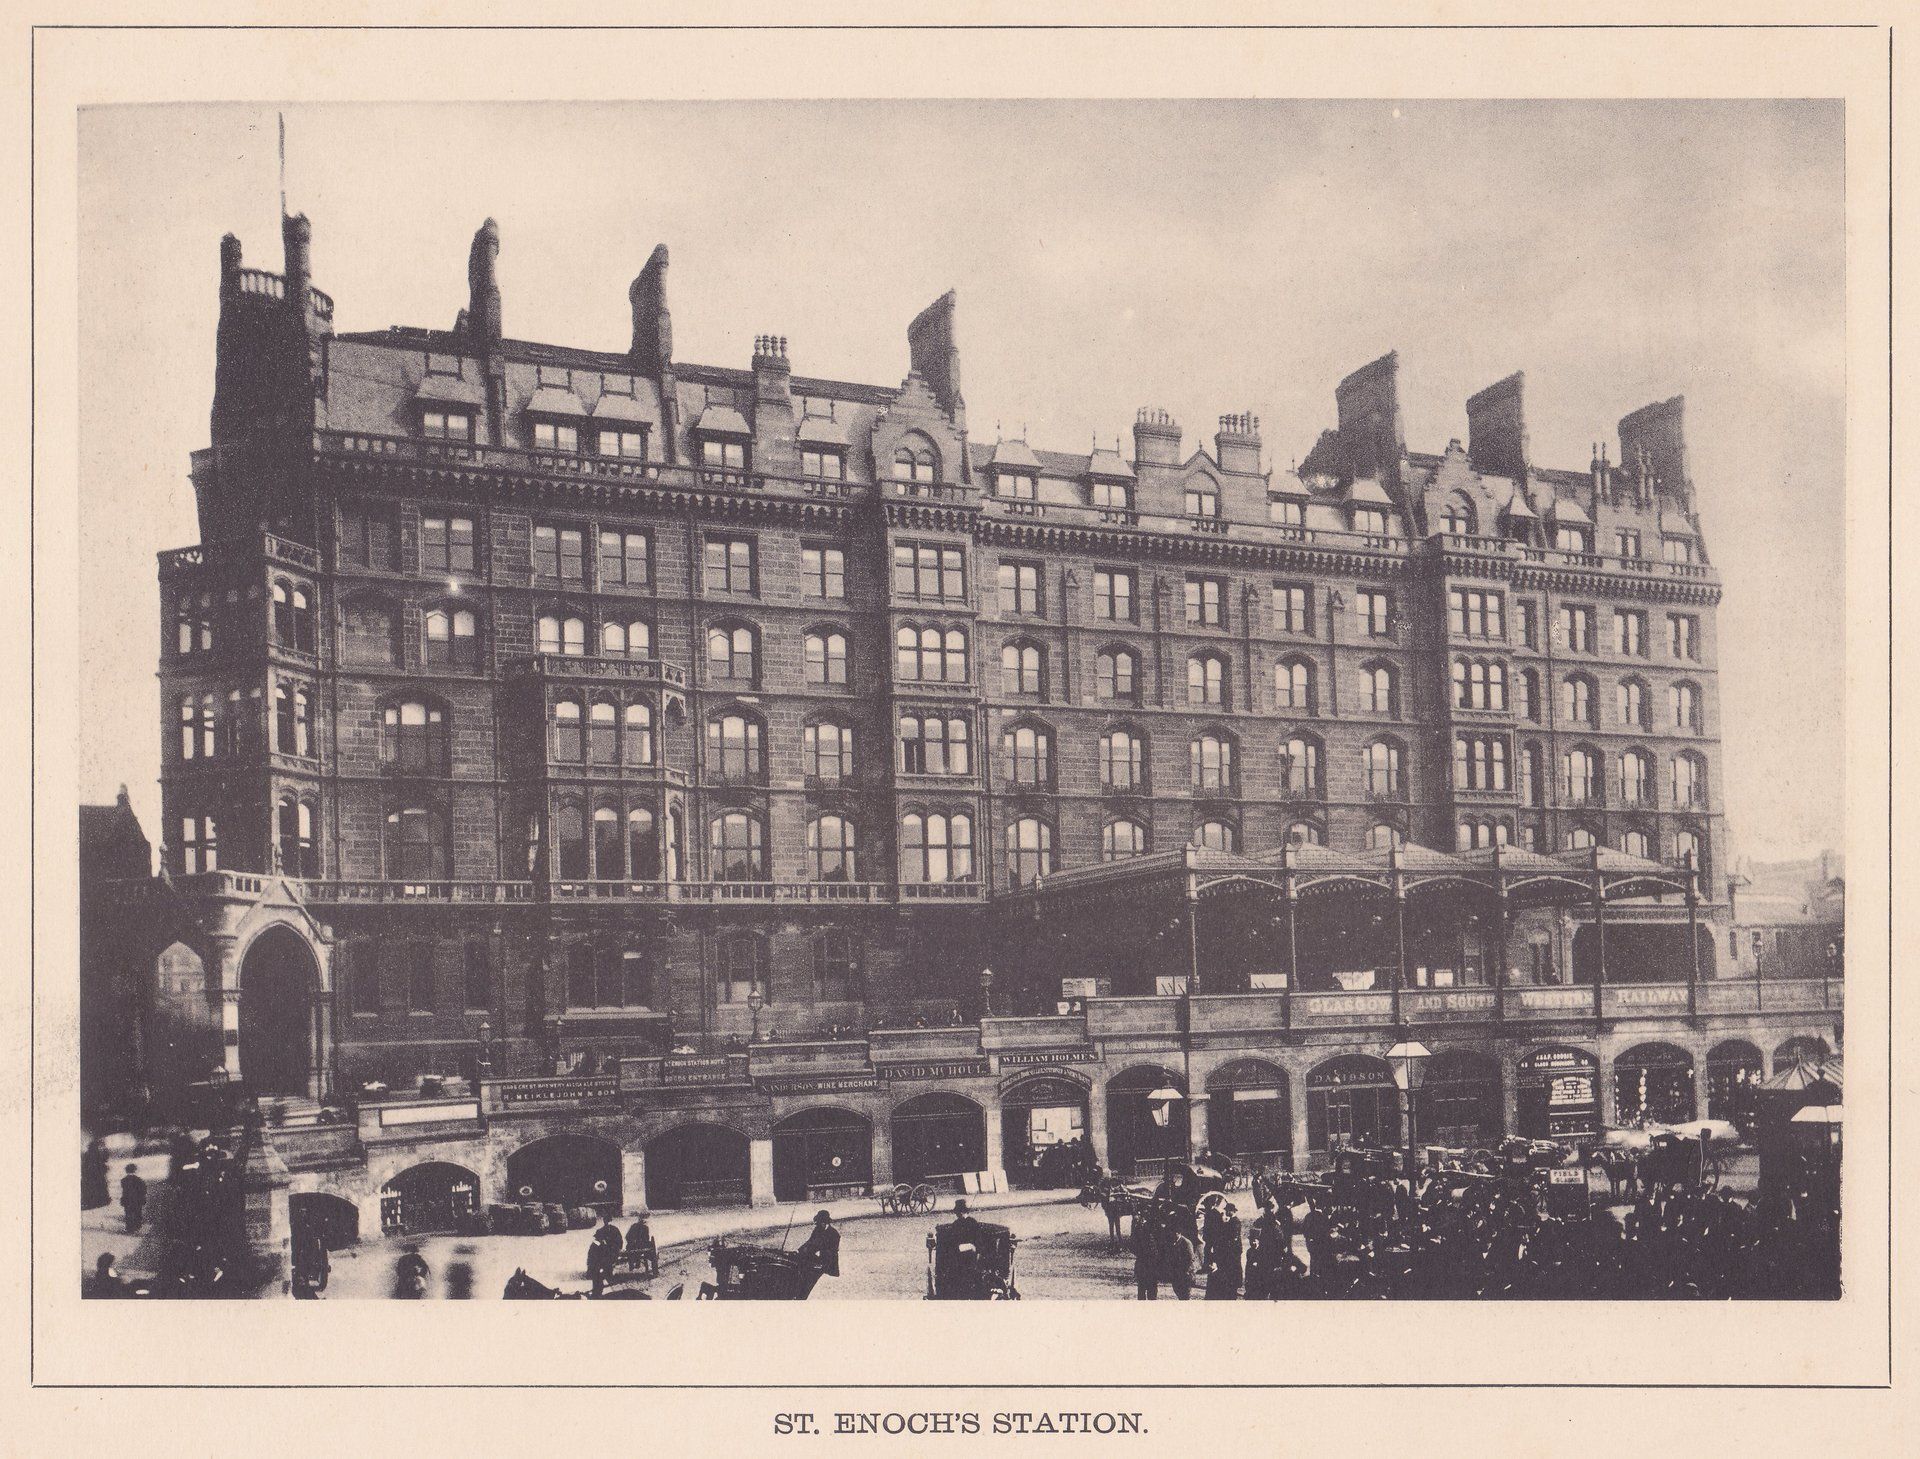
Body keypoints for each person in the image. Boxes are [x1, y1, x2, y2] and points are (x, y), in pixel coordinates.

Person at [1208, 1204, 1244, 1299]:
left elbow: (1233, 1238)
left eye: (1228, 1211)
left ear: (1233, 1211)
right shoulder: (1232, 1221)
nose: (1227, 1212)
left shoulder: (1235, 1222)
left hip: (1233, 1252)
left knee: (1233, 1270)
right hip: (1232, 1251)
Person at [795, 1209, 841, 1279]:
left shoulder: (834, 1234)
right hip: (821, 1260)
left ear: (825, 1222)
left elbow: (828, 1249)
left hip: (830, 1263)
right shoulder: (817, 1229)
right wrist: (799, 1251)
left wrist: (810, 1251)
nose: (817, 1225)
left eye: (819, 1222)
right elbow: (810, 1241)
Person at [588, 1216, 623, 1296]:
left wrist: (616, 1249)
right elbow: (595, 1245)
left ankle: (607, 1273)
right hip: (604, 1253)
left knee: (606, 1264)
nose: (607, 1223)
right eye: (606, 1221)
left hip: (612, 1251)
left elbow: (619, 1241)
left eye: (608, 1221)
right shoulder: (600, 1231)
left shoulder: (614, 1230)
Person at [1164, 1222, 1199, 1301]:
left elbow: (1191, 1258)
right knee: (1178, 1291)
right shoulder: (1174, 1241)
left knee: (1185, 1295)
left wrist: (1186, 1271)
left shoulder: (1186, 1242)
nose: (1172, 1235)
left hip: (1185, 1274)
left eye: (1174, 1233)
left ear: (1179, 1233)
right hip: (1176, 1273)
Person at [1130, 1212, 1160, 1300]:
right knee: (1146, 1289)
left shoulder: (1152, 1228)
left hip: (1149, 1263)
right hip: (1146, 1262)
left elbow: (1132, 1245)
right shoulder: (1139, 1229)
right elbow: (1132, 1245)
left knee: (1146, 1289)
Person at [82, 1139, 110, 1210]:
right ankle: (100, 1201)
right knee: (99, 1187)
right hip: (98, 1174)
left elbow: (84, 1165)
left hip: (89, 1175)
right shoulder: (98, 1154)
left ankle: (92, 1202)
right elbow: (105, 1159)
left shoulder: (87, 1154)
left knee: (92, 1188)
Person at [120, 1164, 148, 1235]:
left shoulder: (123, 1180)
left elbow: (124, 1191)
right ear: (135, 1170)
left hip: (127, 1200)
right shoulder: (139, 1180)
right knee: (137, 1213)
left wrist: (123, 1199)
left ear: (126, 1171)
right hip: (137, 1200)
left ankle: (129, 1228)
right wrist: (143, 1198)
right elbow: (143, 1190)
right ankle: (137, 1227)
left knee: (128, 1213)